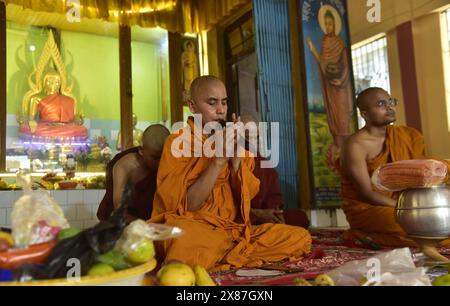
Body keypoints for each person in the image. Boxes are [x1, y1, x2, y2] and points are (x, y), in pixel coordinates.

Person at [150, 76, 311, 272]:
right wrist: (218, 161)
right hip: (195, 228)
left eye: (224, 102)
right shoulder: (179, 143)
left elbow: (245, 201)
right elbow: (186, 206)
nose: (221, 110)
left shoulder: (233, 142)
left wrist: (236, 163)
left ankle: (220, 254)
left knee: (300, 237)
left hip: (232, 232)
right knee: (184, 241)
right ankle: (222, 254)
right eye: (212, 102)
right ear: (192, 106)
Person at [339, 87, 449, 260]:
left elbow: (420, 176)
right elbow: (366, 194)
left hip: (407, 202)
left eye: (391, 101)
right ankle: (361, 232)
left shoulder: (408, 135)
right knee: (414, 225)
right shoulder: (355, 145)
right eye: (381, 104)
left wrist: (424, 203)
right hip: (369, 208)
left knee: (437, 218)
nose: (389, 107)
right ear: (365, 114)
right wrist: (406, 209)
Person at [239, 114, 310, 228]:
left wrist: (274, 213)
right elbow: (225, 205)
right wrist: (256, 214)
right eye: (247, 137)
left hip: (264, 218)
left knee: (300, 217)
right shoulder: (228, 159)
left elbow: (274, 197)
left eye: (255, 137)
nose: (252, 143)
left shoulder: (262, 163)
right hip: (241, 217)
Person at [97, 124, 170, 222]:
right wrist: (147, 227)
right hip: (123, 226)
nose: (161, 162)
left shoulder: (170, 163)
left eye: (164, 156)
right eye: (155, 157)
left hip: (154, 222)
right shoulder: (124, 167)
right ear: (141, 151)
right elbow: (119, 212)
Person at [307, 9, 353, 162]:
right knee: (333, 117)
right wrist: (313, 50)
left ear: (335, 24)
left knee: (342, 118)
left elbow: (346, 65)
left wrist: (341, 79)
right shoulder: (324, 42)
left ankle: (346, 153)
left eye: (330, 23)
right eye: (326, 24)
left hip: (341, 87)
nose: (328, 26)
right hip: (330, 87)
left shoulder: (340, 43)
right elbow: (323, 63)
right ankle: (338, 153)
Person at [19, 71, 87, 140]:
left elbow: (75, 121)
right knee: (25, 127)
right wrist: (32, 122)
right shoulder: (36, 98)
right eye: (49, 81)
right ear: (44, 82)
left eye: (56, 82)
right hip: (46, 126)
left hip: (65, 127)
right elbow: (31, 118)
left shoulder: (69, 99)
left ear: (60, 84)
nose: (53, 84)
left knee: (81, 129)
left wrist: (80, 119)